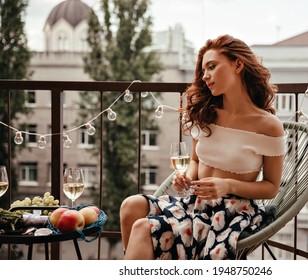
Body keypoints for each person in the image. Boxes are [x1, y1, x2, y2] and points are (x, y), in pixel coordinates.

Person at [120, 34, 286, 260]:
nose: (205, 76)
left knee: (142, 228)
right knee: (130, 206)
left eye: (212, 67)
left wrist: (227, 185)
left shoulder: (268, 126)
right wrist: (186, 176)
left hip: (230, 212)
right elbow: (197, 161)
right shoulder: (206, 112)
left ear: (237, 64)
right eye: (203, 70)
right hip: (194, 204)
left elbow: (271, 187)